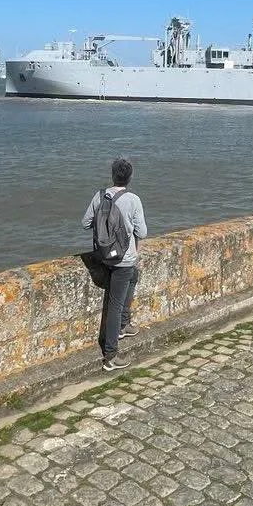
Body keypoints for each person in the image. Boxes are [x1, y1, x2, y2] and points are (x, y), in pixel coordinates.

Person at [82, 157, 149, 371]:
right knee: (115, 305)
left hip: (103, 257)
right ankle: (110, 355)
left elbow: (85, 223)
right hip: (123, 259)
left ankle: (124, 323)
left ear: (112, 176)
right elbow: (143, 232)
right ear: (129, 178)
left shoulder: (100, 195)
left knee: (134, 277)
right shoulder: (133, 199)